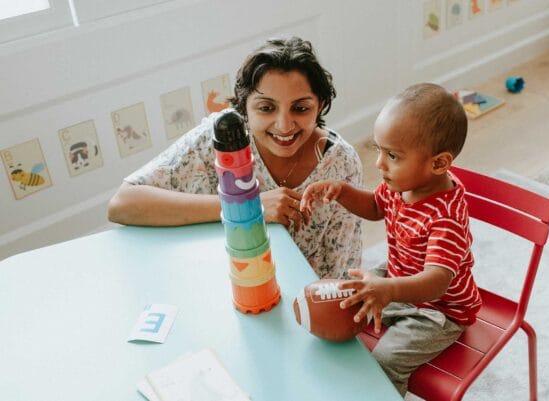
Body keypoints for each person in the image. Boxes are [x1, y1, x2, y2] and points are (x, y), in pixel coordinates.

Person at [107, 36, 363, 279]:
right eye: (266, 108)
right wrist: (249, 207)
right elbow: (122, 203)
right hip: (225, 282)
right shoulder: (222, 136)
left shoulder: (341, 163)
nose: (284, 125)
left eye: (300, 108)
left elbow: (341, 274)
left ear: (319, 105)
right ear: (244, 107)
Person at [300, 83, 482, 395]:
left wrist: (389, 289)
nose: (379, 164)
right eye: (379, 150)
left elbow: (436, 281)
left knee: (386, 360)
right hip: (400, 275)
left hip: (438, 309)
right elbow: (374, 206)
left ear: (439, 163)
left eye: (393, 155)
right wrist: (341, 191)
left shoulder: (446, 217)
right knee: (344, 302)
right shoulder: (403, 184)